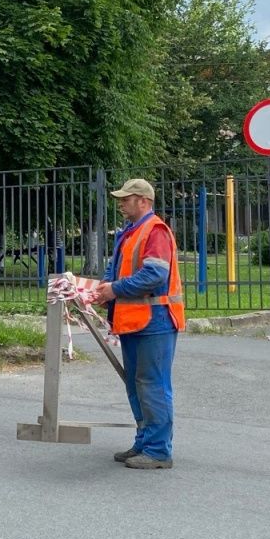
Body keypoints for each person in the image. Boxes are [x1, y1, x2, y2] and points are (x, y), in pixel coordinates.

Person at [94, 179, 185, 469]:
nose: (120, 203)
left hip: (155, 321)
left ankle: (158, 451)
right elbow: (117, 269)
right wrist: (105, 290)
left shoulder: (154, 230)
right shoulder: (131, 232)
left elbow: (155, 276)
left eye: (126, 199)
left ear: (143, 201)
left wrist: (115, 290)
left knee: (152, 385)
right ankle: (144, 442)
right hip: (135, 320)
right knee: (137, 385)